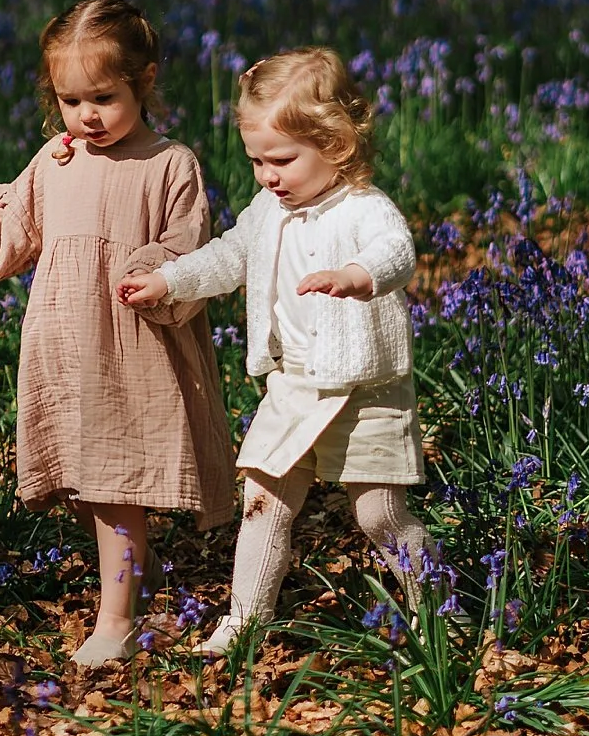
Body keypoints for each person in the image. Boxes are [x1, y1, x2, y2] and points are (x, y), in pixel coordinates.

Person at [0, 0, 234, 669]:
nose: (86, 116)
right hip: (67, 345)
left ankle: (119, 622)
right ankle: (138, 579)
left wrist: (156, 271)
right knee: (83, 486)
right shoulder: (57, 161)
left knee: (113, 486)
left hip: (133, 347)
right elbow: (6, 219)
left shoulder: (171, 164)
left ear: (144, 82)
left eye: (104, 98)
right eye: (69, 100)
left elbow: (190, 241)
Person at [121, 45, 430, 656]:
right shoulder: (267, 211)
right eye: (256, 160)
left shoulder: (364, 209)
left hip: (365, 388)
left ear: (336, 145)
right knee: (262, 500)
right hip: (292, 384)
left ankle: (432, 608)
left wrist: (358, 275)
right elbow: (227, 257)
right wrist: (170, 281)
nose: (267, 175)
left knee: (377, 517)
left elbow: (399, 251)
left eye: (282, 160)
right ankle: (244, 620)